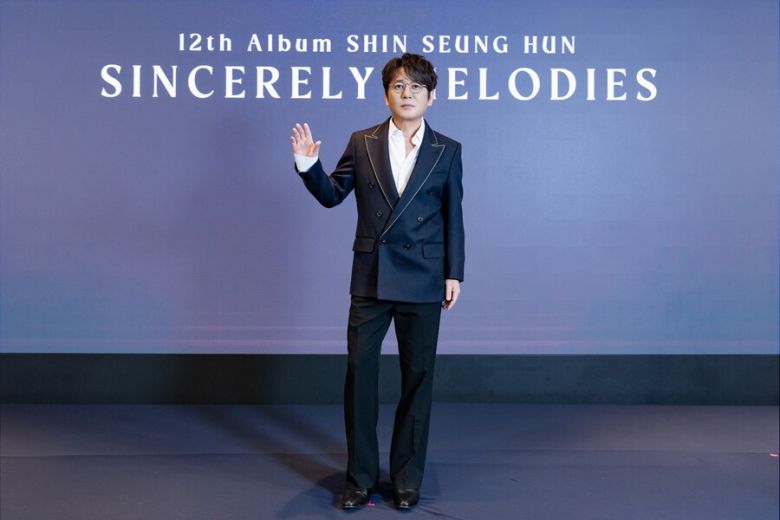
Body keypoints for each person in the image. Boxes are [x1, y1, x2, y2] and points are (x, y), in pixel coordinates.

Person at [290, 52, 464, 510]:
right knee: (360, 377)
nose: (407, 94)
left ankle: (407, 479)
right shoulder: (361, 141)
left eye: (416, 87)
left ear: (431, 97)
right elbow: (333, 195)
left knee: (418, 379)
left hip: (424, 277)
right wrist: (308, 165)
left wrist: (454, 272)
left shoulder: (448, 150)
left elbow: (454, 215)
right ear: (386, 94)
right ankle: (360, 479)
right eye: (398, 86)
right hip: (371, 277)